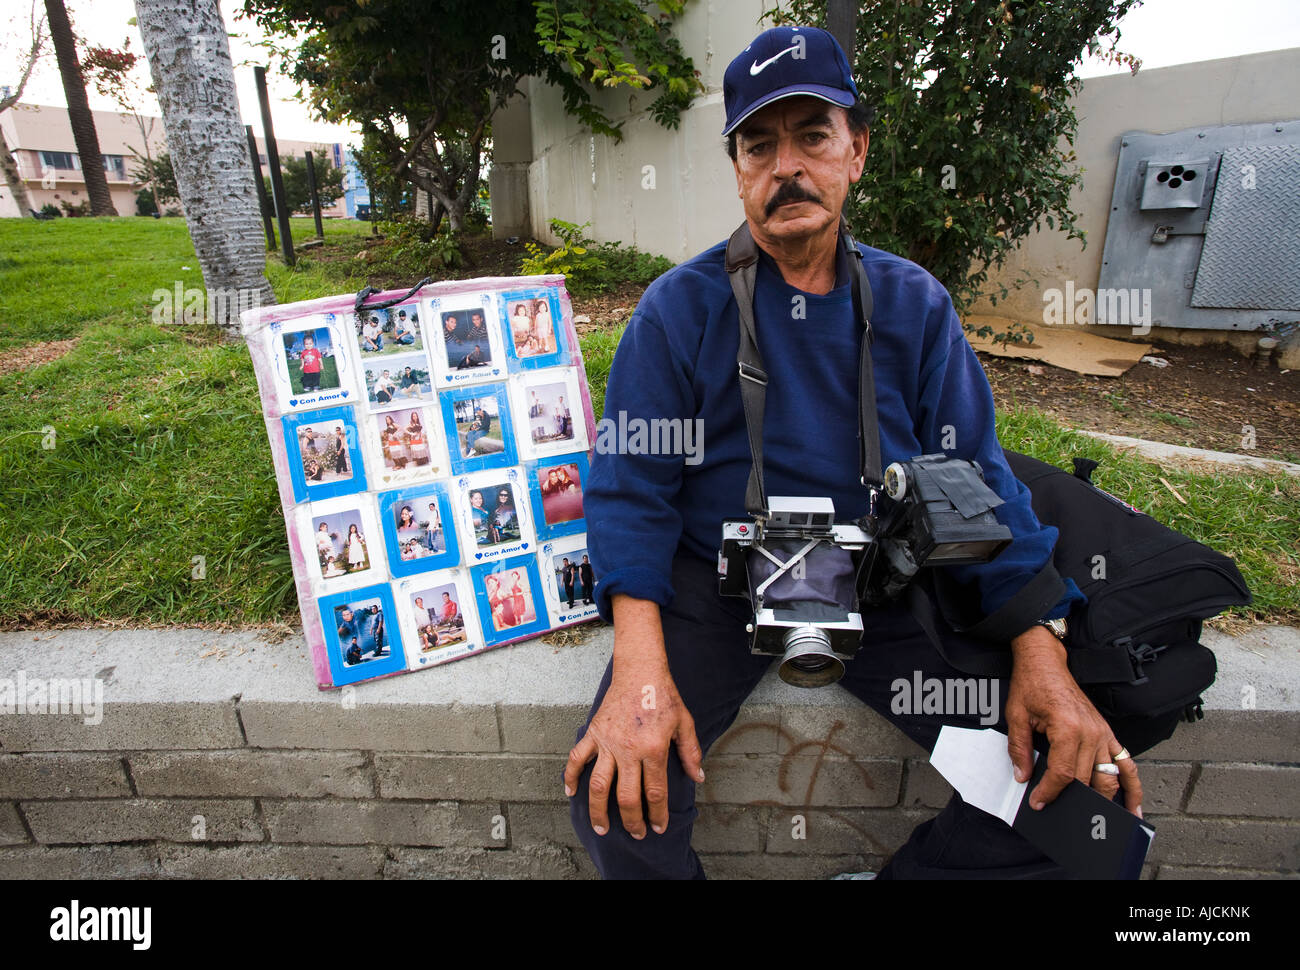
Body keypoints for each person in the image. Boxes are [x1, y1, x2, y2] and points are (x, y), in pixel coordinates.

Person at [566, 26, 1138, 880]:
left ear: (856, 152)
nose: (785, 167)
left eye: (812, 137)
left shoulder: (913, 303)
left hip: (885, 579)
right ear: (737, 171)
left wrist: (1039, 653)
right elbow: (628, 489)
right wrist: (638, 672)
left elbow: (981, 472)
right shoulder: (676, 310)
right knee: (613, 799)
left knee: (1076, 797)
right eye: (759, 145)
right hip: (716, 583)